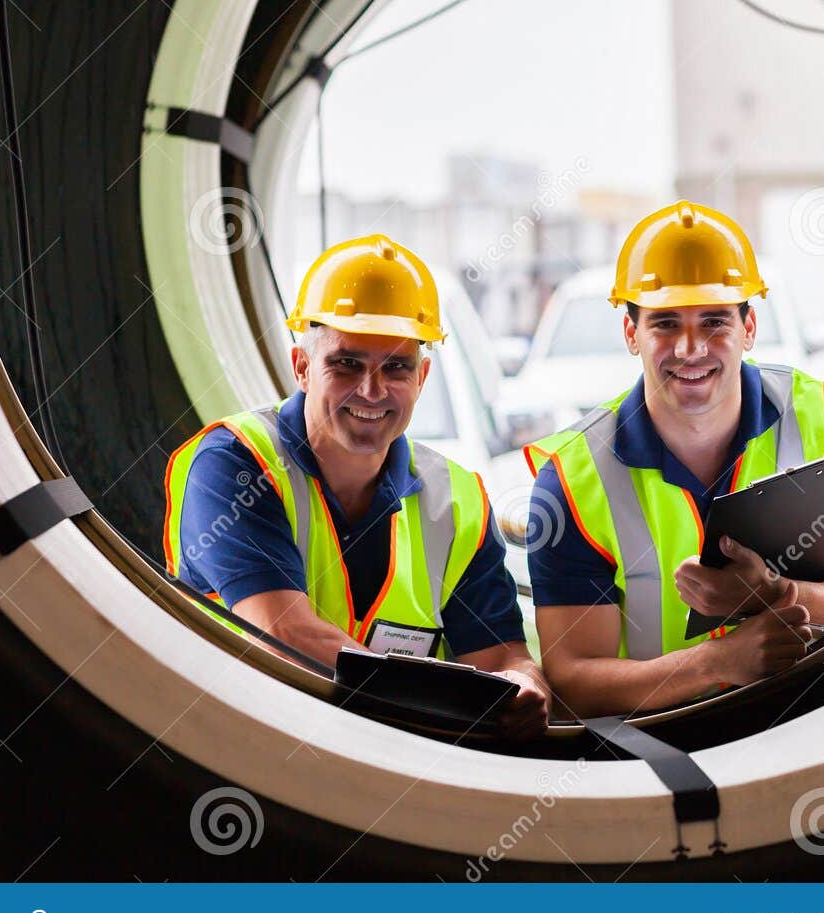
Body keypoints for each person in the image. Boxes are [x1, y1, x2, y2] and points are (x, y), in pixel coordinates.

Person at [524, 201, 824, 717]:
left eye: (714, 322)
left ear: (749, 327)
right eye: (666, 324)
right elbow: (574, 679)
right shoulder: (572, 478)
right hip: (665, 747)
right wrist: (718, 663)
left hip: (811, 717)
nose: (690, 348)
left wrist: (774, 594)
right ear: (632, 334)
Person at [163, 235, 548, 737]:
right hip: (241, 749)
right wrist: (429, 704)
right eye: (346, 363)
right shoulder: (236, 464)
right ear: (302, 367)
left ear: (422, 377)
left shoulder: (457, 502)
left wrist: (525, 686)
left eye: (396, 367)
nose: (372, 390)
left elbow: (503, 657)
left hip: (390, 765)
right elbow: (284, 633)